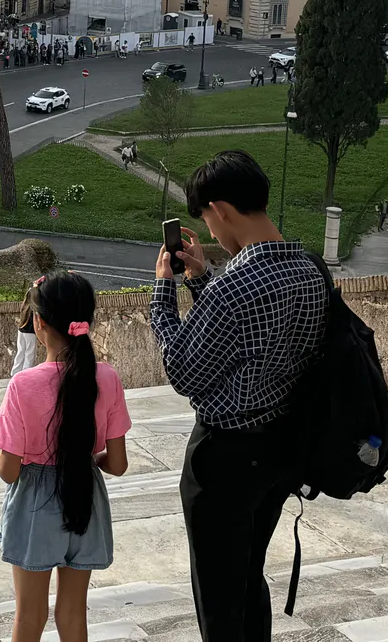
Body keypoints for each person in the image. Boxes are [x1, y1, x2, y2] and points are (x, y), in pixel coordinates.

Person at [153, 150, 326, 641]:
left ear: (221, 209)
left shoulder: (233, 288)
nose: (210, 231)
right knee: (249, 575)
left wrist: (163, 291)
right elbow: (246, 338)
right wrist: (201, 281)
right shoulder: (311, 271)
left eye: (207, 219)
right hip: (278, 452)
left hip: (223, 460)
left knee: (218, 596)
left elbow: (184, 371)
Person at [0, 271, 131, 642]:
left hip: (35, 506)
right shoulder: (108, 378)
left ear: (39, 323)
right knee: (72, 612)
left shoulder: (23, 385)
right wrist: (88, 459)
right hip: (86, 498)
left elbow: (8, 471)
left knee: (29, 616)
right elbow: (117, 464)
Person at [12, 279, 42, 378]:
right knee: (29, 353)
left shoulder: (24, 306)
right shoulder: (33, 308)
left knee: (20, 351)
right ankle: (26, 373)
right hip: (30, 332)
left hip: (21, 330)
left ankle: (15, 372)